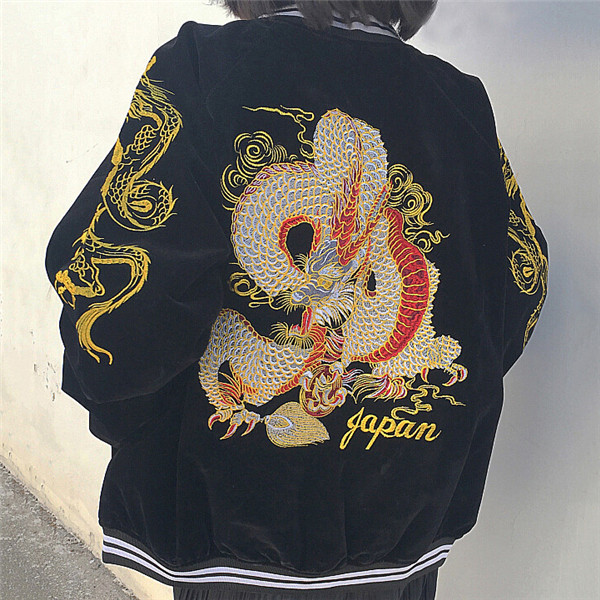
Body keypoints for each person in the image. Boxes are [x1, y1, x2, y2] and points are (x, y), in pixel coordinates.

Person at [45, 2, 549, 599]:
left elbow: (114, 299)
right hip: (400, 547)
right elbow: (521, 285)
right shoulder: (460, 104)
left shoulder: (203, 70)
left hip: (232, 540)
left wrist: (134, 429)